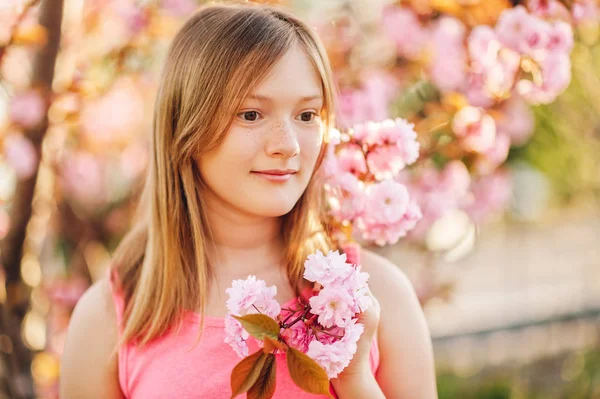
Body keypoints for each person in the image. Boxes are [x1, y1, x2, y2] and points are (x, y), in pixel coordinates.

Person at [59, 2, 437, 398]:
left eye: (307, 115)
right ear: (186, 125)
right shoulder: (111, 321)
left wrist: (355, 377)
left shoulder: (376, 298)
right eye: (251, 115)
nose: (288, 145)